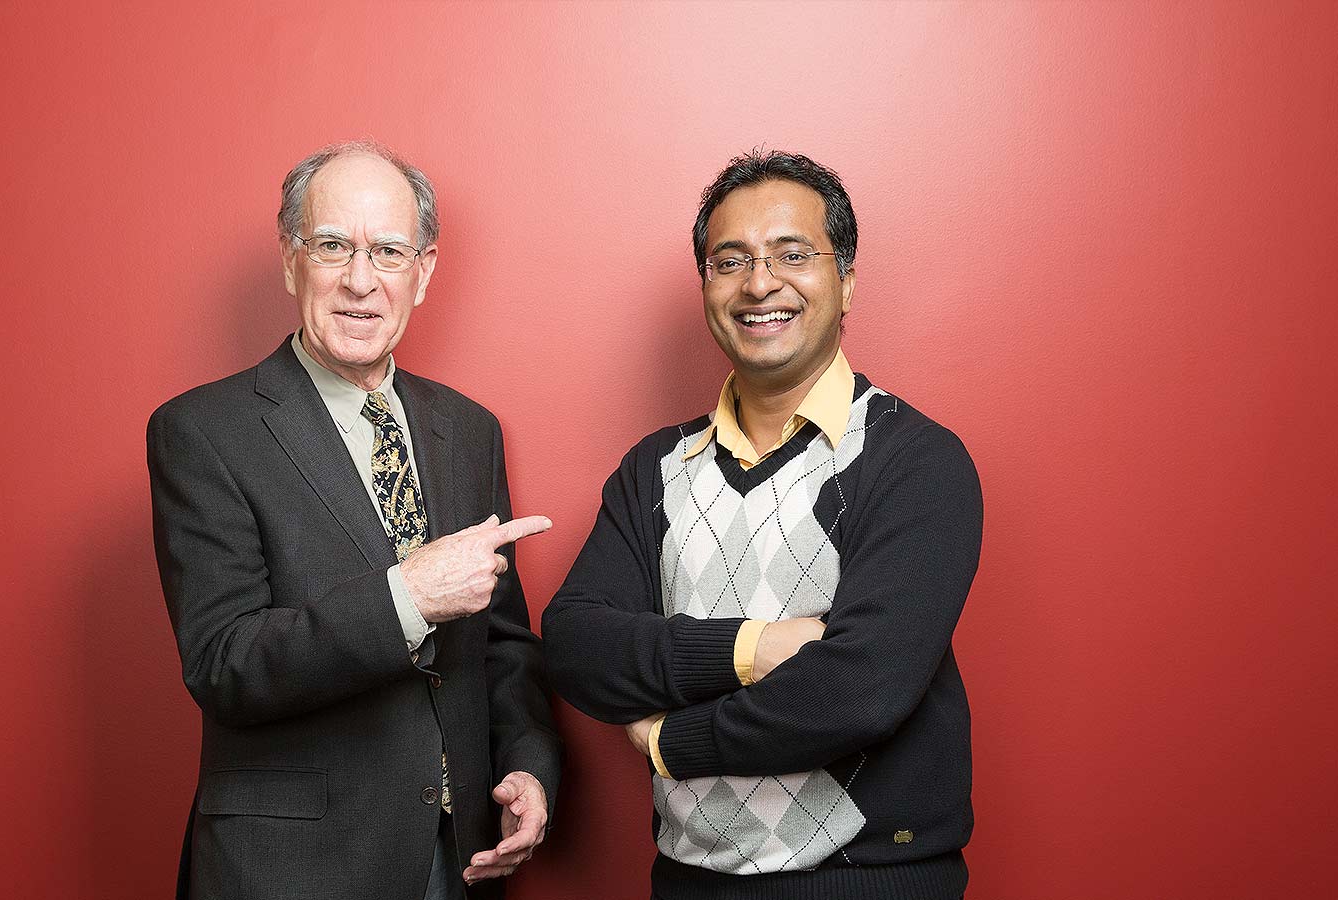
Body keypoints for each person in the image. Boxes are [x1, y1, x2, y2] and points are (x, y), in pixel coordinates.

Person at [543, 150, 983, 900]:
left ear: (846, 280)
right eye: (730, 261)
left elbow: (860, 690)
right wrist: (760, 648)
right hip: (689, 880)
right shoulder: (654, 468)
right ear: (707, 286)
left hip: (869, 882)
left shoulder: (917, 461)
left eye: (792, 255)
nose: (759, 284)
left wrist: (671, 741)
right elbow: (577, 645)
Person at [148, 141, 560, 900]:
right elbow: (223, 662)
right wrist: (407, 598)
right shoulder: (202, 431)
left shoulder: (470, 431)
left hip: (459, 860)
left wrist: (527, 765)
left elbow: (500, 642)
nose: (360, 281)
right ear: (290, 261)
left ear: (425, 271)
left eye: (389, 252)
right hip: (290, 872)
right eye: (333, 246)